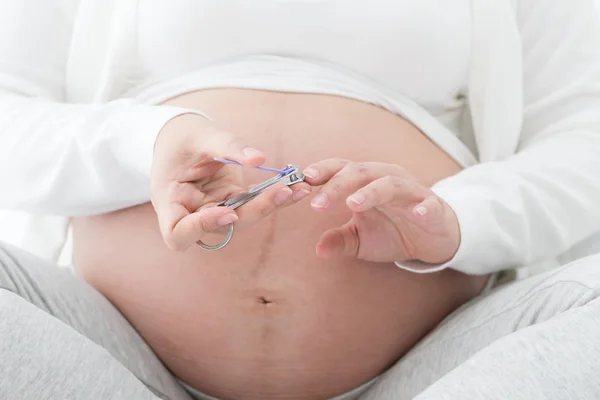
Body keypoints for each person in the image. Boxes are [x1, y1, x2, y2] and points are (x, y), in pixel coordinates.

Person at [1, 1, 600, 399]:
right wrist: (148, 144)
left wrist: (456, 220)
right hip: (115, 358)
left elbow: (585, 138)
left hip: (435, 369)